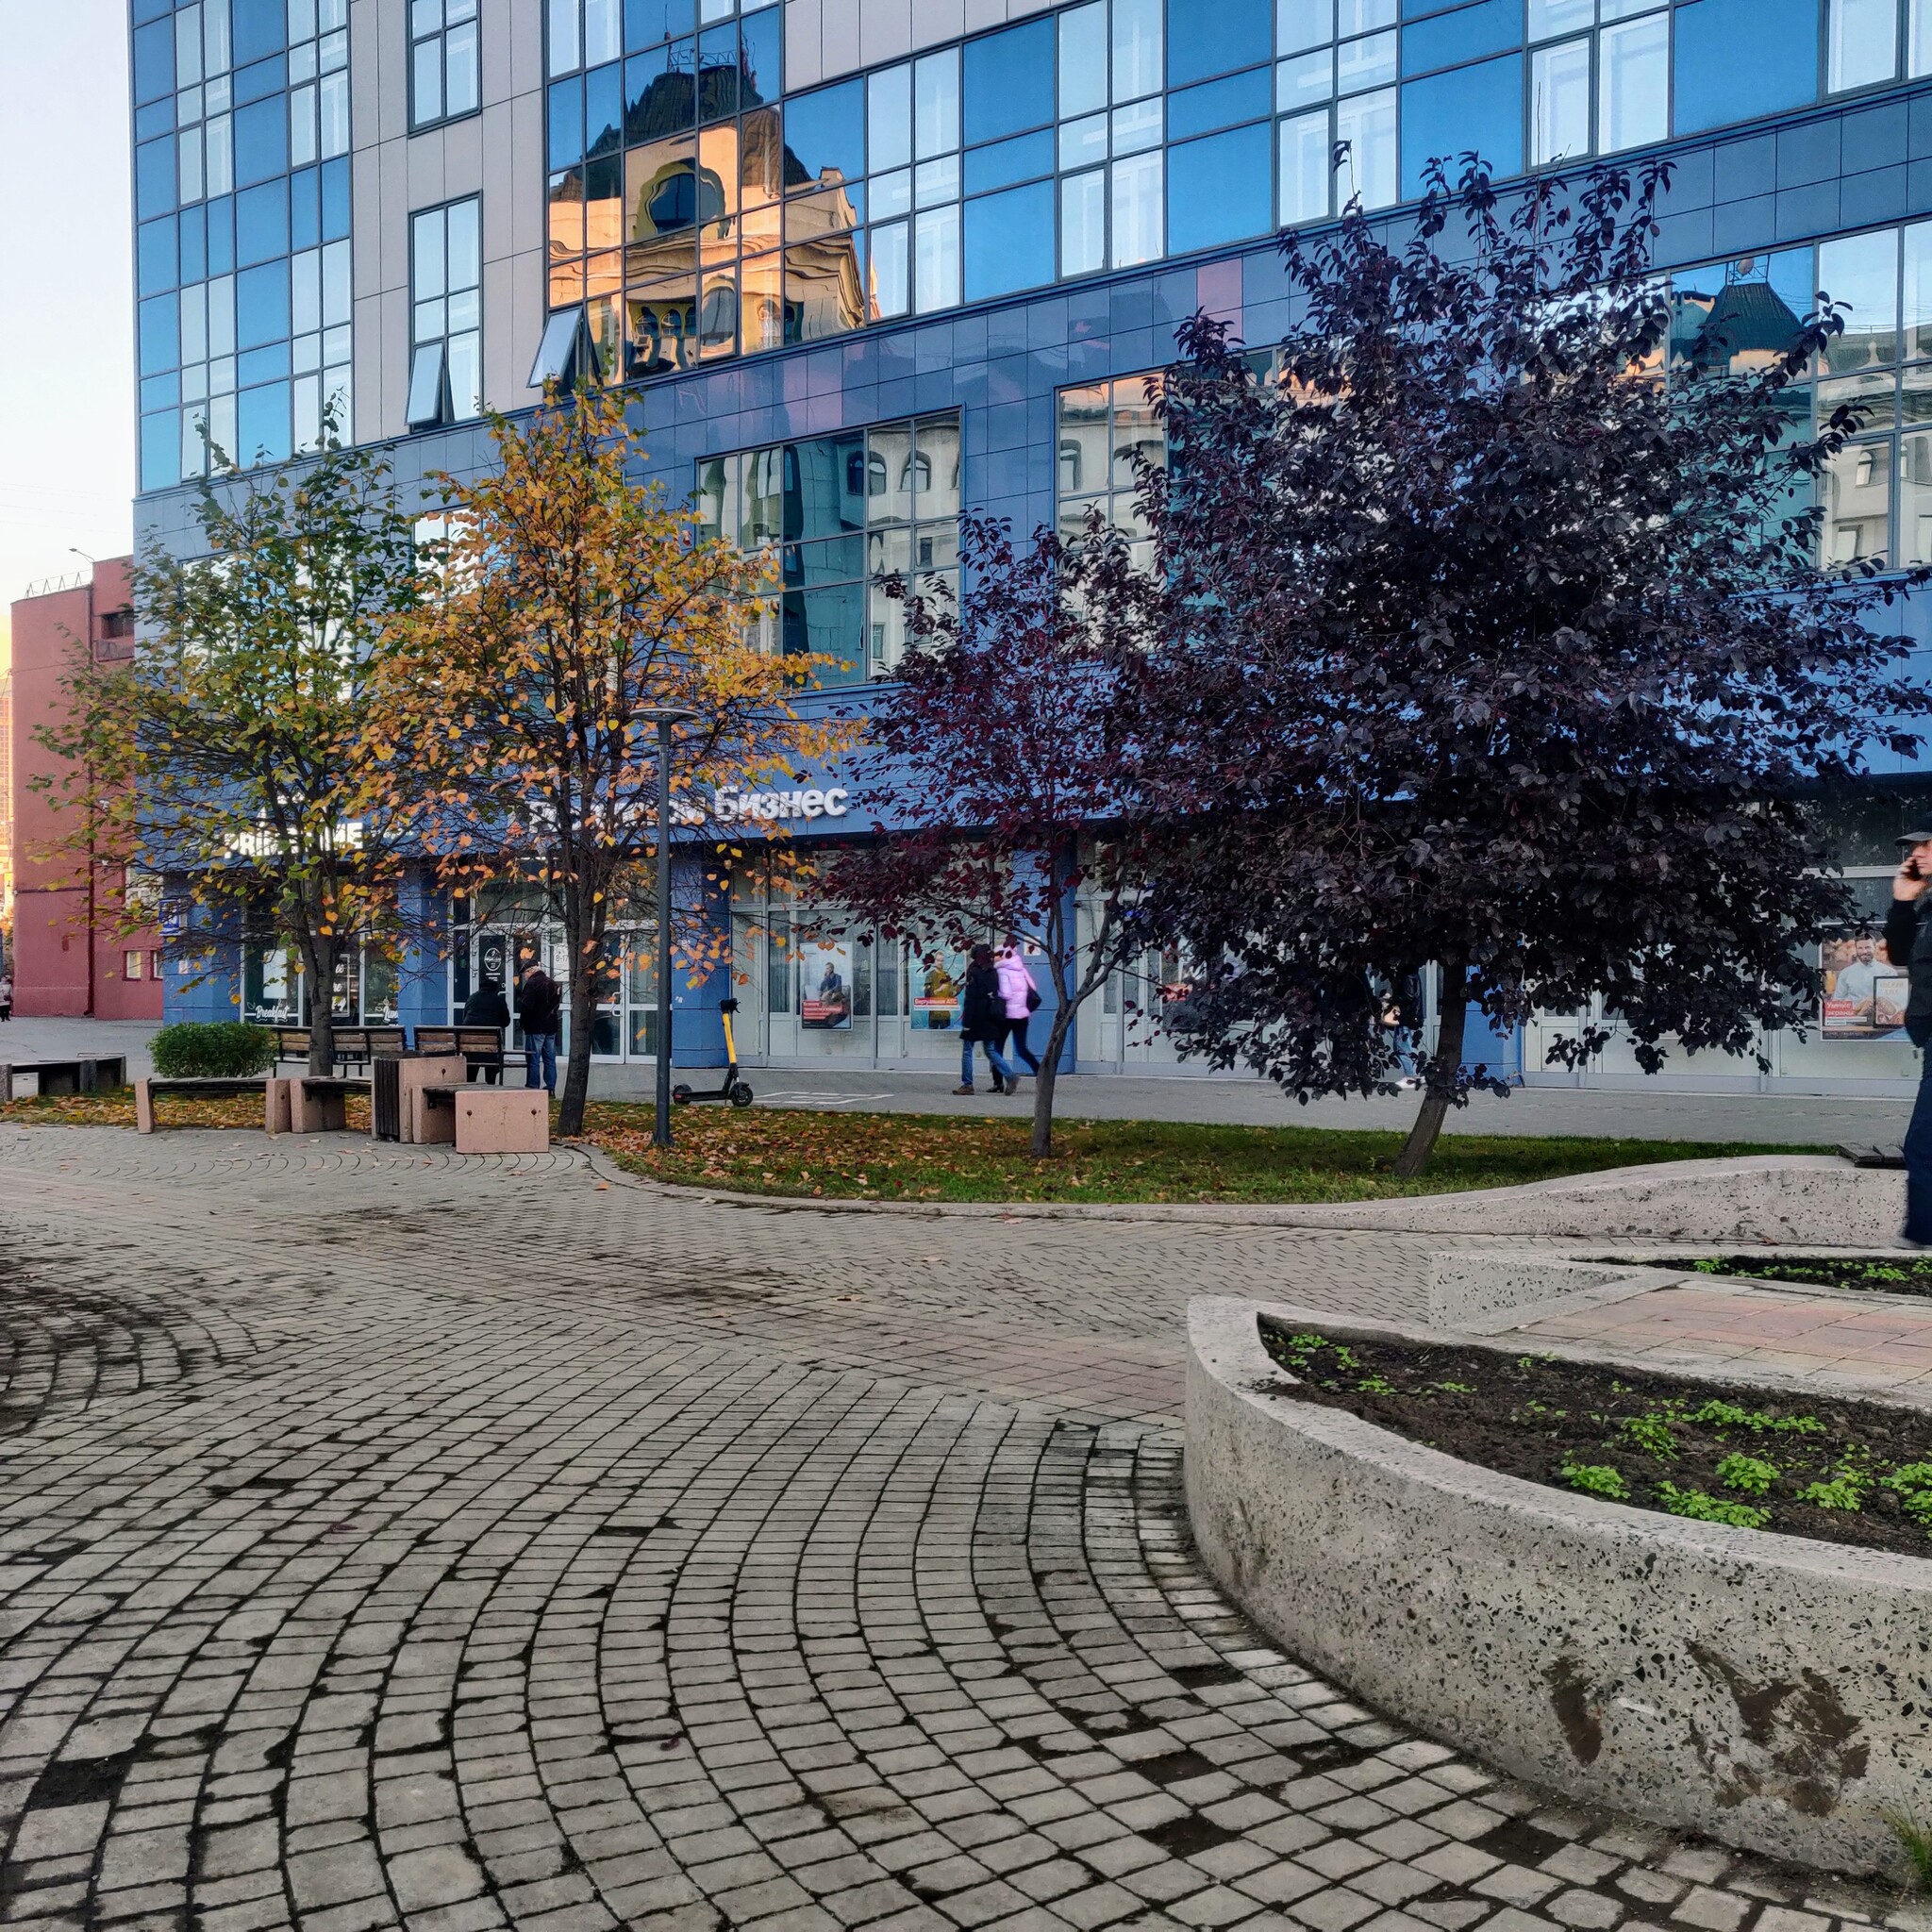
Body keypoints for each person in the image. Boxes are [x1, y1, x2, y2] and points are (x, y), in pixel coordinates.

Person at [1884, 827, 1932, 1242]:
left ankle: (1921, 1237)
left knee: (1923, 1145)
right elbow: (1899, 954)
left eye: (1926, 846)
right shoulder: (1928, 907)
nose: (1917, 854)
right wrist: (1903, 900)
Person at [953, 944, 1016, 1095]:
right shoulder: (994, 972)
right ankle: (1010, 1075)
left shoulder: (974, 972)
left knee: (967, 1051)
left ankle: (967, 1084)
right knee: (990, 1050)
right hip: (991, 1017)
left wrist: (967, 1023)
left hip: (976, 1018)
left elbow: (971, 999)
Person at [994, 942, 1041, 1082]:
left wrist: (996, 994)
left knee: (997, 1050)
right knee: (1022, 1049)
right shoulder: (1021, 970)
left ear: (1002, 956)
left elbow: (1006, 993)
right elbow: (1032, 987)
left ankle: (998, 1083)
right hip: (1022, 1015)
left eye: (997, 955)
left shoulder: (1002, 971)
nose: (995, 958)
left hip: (1007, 1016)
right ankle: (1040, 1073)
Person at [517, 965, 563, 1097]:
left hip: (535, 1027)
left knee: (533, 1058)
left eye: (525, 973)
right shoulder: (552, 983)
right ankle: (550, 1087)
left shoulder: (532, 984)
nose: (524, 976)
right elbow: (556, 1005)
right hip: (551, 1027)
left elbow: (526, 1007)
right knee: (549, 1059)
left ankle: (533, 1087)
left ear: (531, 971)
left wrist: (523, 1024)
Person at [460, 980, 511, 1083]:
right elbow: (506, 1021)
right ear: (495, 988)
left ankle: (470, 1086)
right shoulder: (498, 1000)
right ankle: (490, 1085)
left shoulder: (472, 998)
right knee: (491, 1057)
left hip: (471, 1046)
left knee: (472, 1059)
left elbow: (464, 1017)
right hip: (490, 1049)